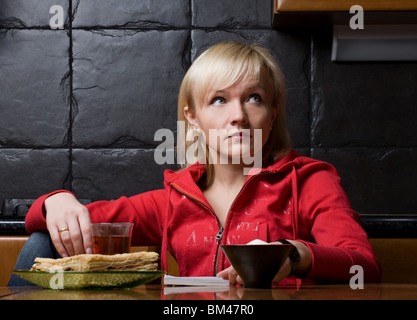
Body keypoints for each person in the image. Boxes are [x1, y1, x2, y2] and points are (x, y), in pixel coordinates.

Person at [9, 41, 381, 287]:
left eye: (254, 98)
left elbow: (362, 266)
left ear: (272, 114)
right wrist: (56, 200)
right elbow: (67, 221)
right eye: (219, 100)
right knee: (41, 243)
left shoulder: (311, 181)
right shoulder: (171, 200)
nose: (238, 115)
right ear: (193, 118)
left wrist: (292, 254)